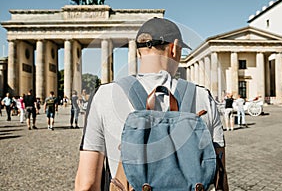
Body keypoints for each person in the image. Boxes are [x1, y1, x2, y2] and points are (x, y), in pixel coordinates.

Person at [75, 18, 228, 190]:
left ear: (138, 52)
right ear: (174, 48)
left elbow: (87, 183)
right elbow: (219, 176)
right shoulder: (203, 96)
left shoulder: (104, 95)